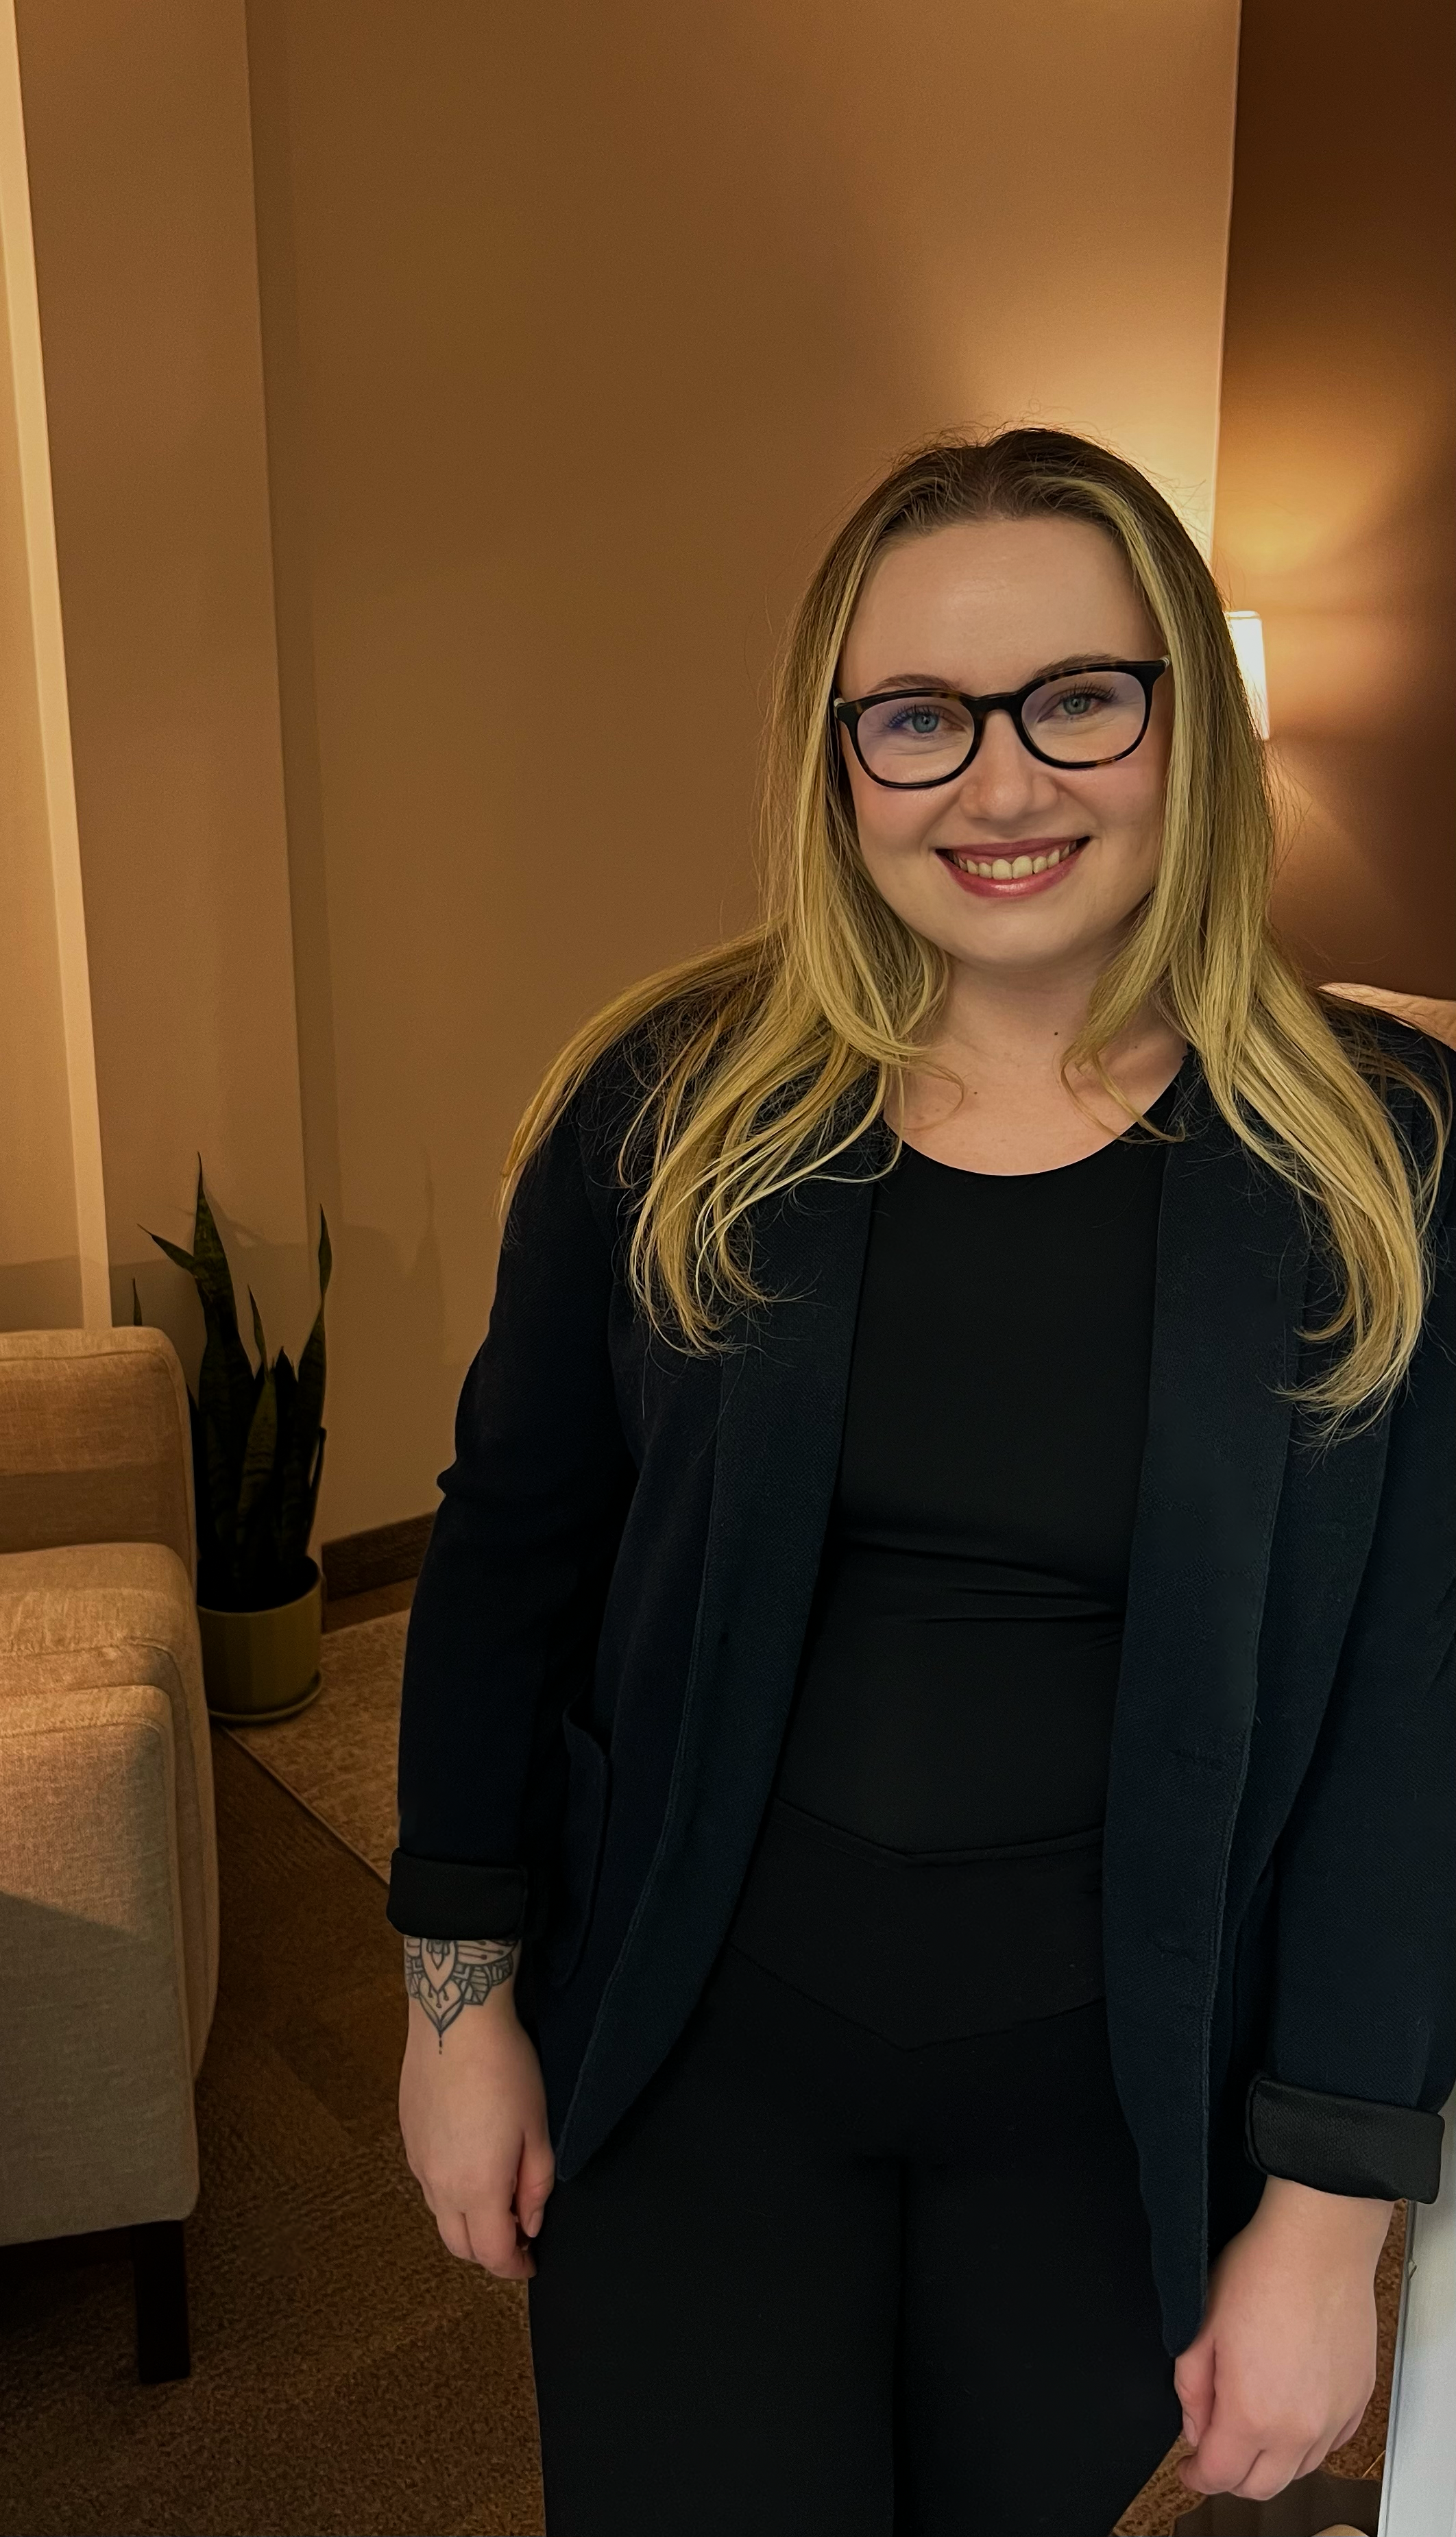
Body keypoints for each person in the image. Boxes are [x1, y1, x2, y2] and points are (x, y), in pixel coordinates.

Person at [389, 428, 1455, 2536]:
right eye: (917, 717)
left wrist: (1328, 2207)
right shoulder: (667, 1110)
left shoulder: (1384, 1157)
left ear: (1186, 726)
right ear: (836, 760)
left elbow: (1407, 1717)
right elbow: (507, 1566)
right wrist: (457, 1999)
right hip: (694, 2070)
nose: (999, 782)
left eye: (1077, 697)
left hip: (1107, 2118)